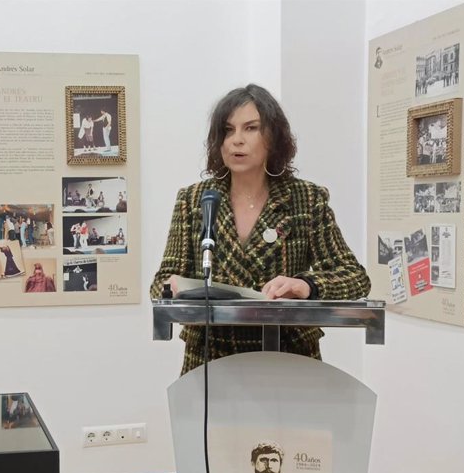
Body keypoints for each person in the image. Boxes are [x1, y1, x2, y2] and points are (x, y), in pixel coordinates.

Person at [150, 84, 371, 376]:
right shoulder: (195, 199)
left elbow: (355, 278)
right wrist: (174, 288)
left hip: (288, 357)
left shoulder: (305, 199)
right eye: (228, 131)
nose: (236, 141)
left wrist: (306, 285)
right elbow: (161, 284)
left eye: (250, 128)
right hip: (211, 361)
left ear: (273, 136)